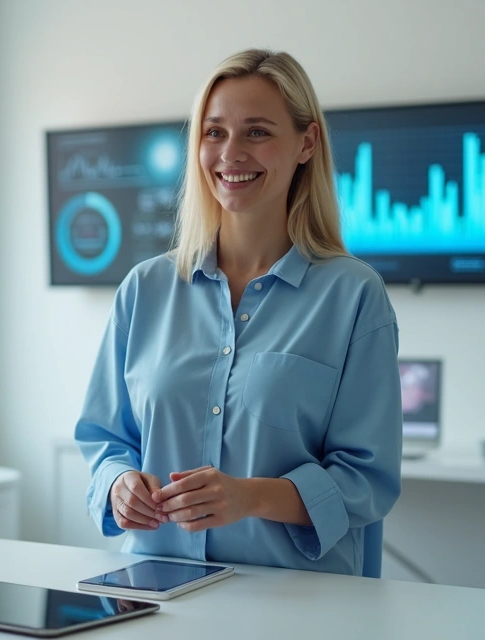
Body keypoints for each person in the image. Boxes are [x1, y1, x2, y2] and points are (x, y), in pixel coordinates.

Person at [74, 49, 402, 576]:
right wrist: (118, 484)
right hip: (159, 594)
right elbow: (106, 439)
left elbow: (368, 481)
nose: (231, 153)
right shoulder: (145, 289)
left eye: (257, 132)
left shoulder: (354, 296)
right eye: (214, 132)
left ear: (307, 143)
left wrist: (249, 497)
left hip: (299, 606)